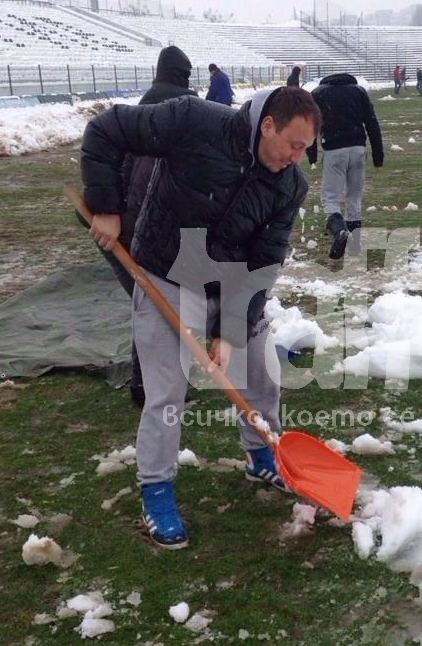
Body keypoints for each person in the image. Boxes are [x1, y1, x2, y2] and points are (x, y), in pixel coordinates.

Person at [81, 87, 321, 548]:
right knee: (167, 389)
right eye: (293, 144)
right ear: (267, 125)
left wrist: (231, 330)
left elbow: (262, 262)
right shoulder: (194, 121)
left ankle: (261, 454)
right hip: (164, 272)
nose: (297, 157)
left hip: (228, 282)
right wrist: (107, 208)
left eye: (305, 149)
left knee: (260, 374)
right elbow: (105, 130)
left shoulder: (290, 185)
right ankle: (157, 490)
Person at [77, 45, 197, 407]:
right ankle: (151, 388)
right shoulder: (181, 116)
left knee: (152, 306)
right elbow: (146, 187)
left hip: (114, 221)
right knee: (161, 309)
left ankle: (146, 385)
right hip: (132, 227)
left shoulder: (146, 105)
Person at [307, 73, 384, 259]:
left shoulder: (318, 93)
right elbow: (372, 123)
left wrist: (312, 155)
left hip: (334, 150)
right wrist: (378, 155)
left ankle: (340, 231)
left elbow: (311, 125)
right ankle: (355, 244)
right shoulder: (359, 92)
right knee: (354, 196)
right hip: (358, 148)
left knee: (330, 198)